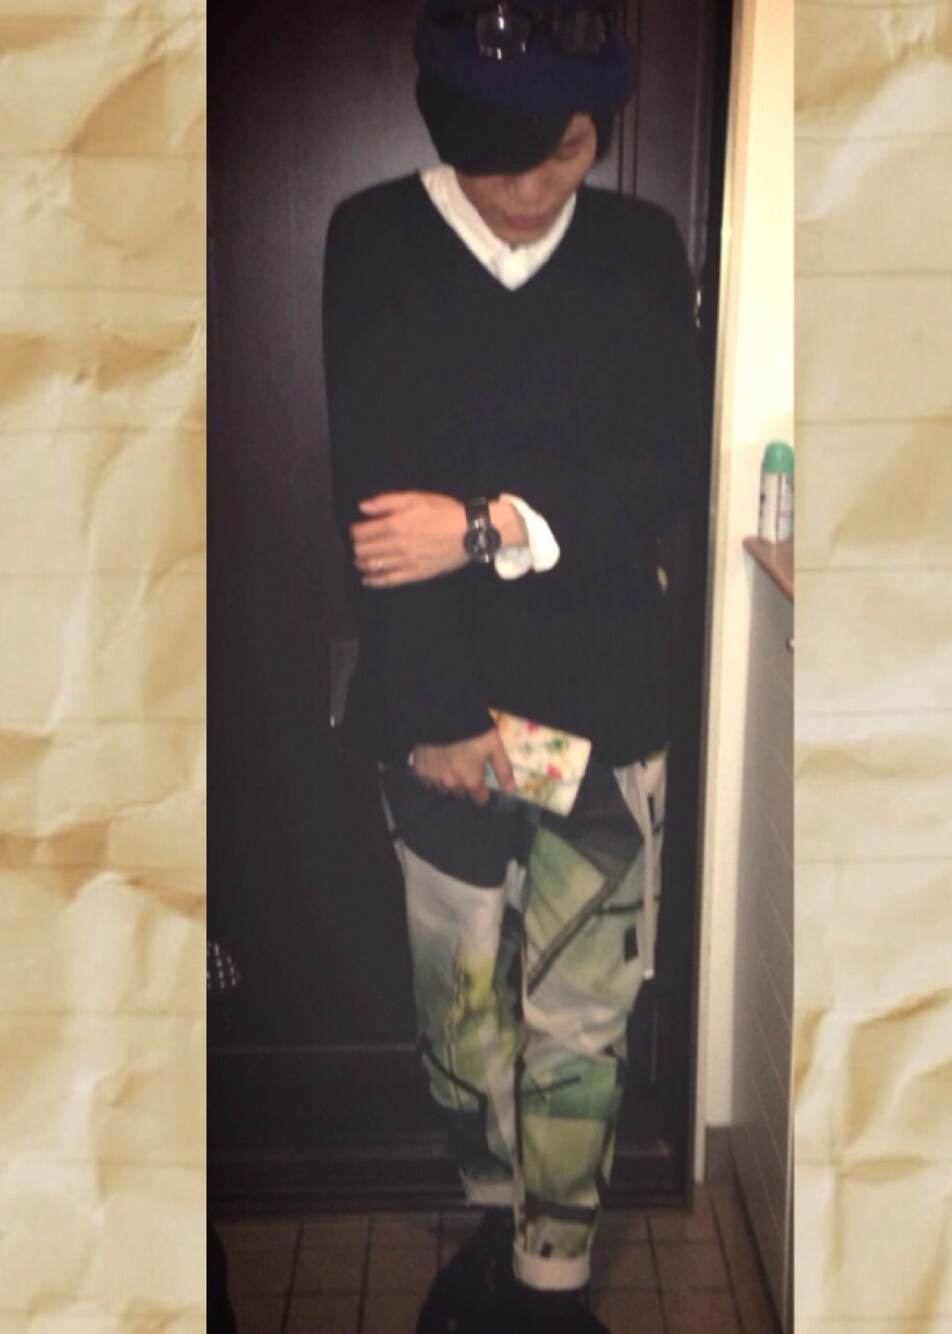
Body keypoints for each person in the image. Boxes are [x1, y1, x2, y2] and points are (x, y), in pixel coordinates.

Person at [322, 3, 702, 1329]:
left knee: (585, 1018)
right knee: (463, 1019)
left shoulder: (640, 247)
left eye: (567, 151)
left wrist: (485, 526)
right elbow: (373, 510)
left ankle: (553, 1282)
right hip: (440, 716)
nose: (536, 189)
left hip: (602, 715)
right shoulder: (375, 239)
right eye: (501, 163)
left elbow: (666, 465)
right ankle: (499, 1220)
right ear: (446, 131)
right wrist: (437, 716)